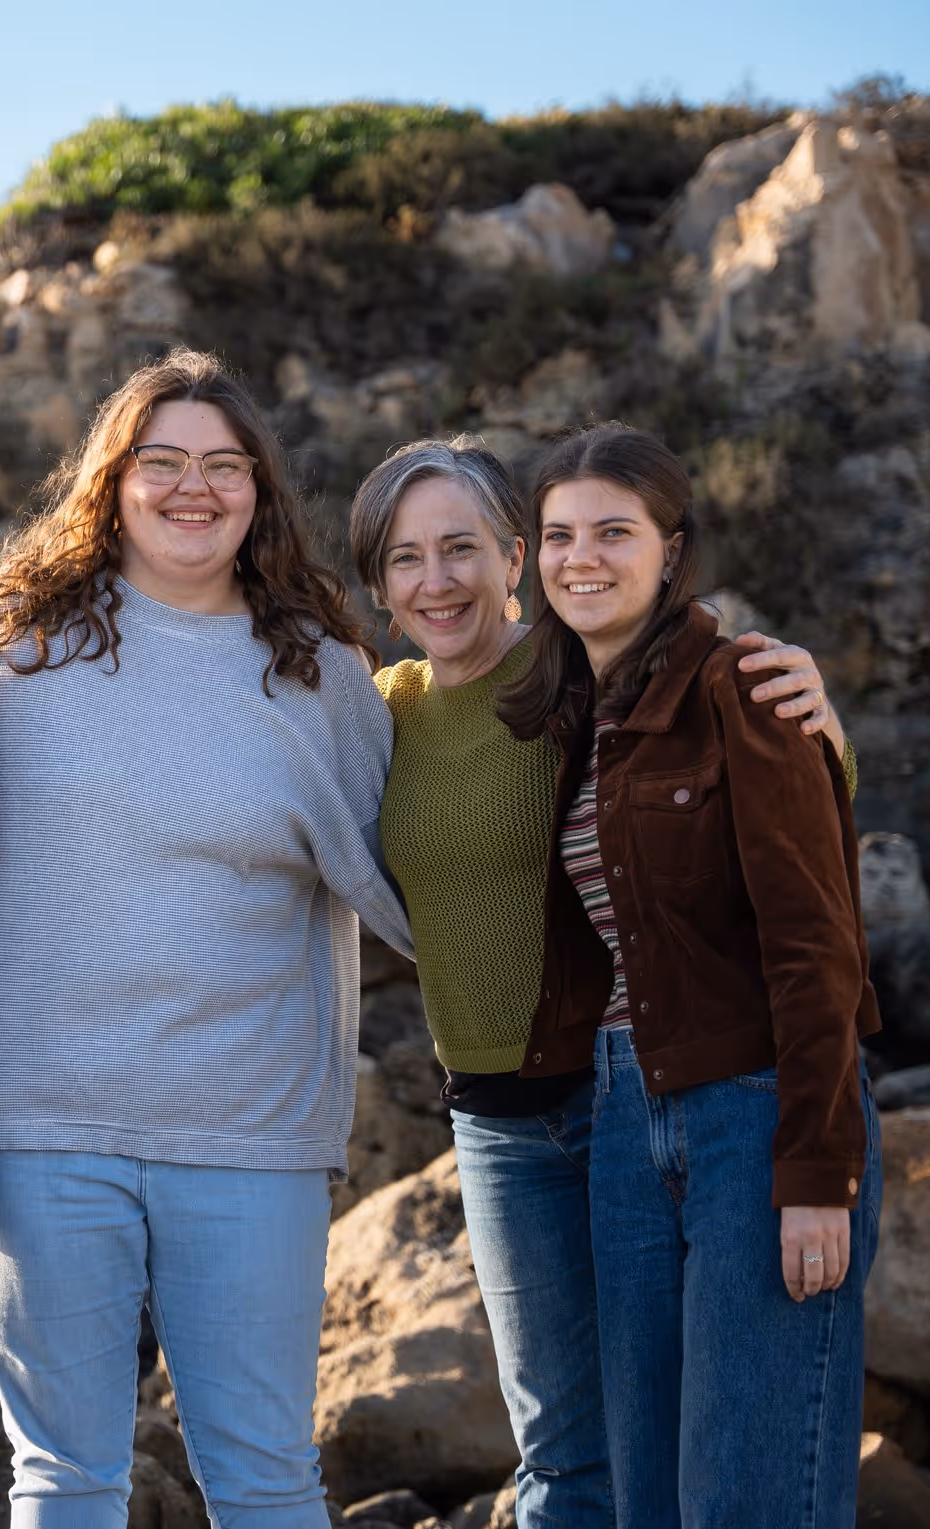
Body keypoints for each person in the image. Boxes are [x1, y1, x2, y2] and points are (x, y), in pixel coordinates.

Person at [347, 436, 850, 1529]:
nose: (434, 578)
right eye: (402, 557)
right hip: (506, 1117)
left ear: (508, 558)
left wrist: (820, 725)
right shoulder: (376, 712)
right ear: (378, 584)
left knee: (705, 1454)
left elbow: (781, 857)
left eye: (460, 548)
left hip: (641, 1090)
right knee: (574, 1454)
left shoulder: (585, 672)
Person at [0, 348, 413, 1529]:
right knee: (63, 1474)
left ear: (259, 492)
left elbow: (422, 885)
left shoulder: (322, 681)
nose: (191, 487)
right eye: (159, 462)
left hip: (251, 1134)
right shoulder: (2, 645)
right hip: (37, 1123)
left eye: (223, 465)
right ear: (110, 482)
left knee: (265, 1474)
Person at [500, 424, 880, 1529]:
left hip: (752, 1113)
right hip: (623, 1119)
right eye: (559, 534)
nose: (582, 557)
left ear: (670, 551)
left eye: (612, 532)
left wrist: (816, 1169)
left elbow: (816, 945)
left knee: (747, 1493)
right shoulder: (581, 715)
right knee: (652, 1496)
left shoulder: (743, 686)